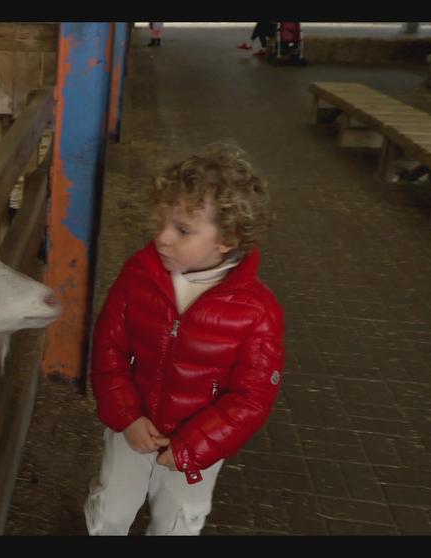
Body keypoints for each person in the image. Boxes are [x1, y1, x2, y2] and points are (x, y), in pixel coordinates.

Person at [84, 145, 285, 536]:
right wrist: (127, 417)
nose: (161, 237)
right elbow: (109, 347)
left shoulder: (257, 312)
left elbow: (252, 397)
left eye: (182, 229)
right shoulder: (139, 275)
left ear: (227, 239)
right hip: (133, 429)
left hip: (196, 445)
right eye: (161, 222)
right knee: (109, 510)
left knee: (178, 521)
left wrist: (193, 446)